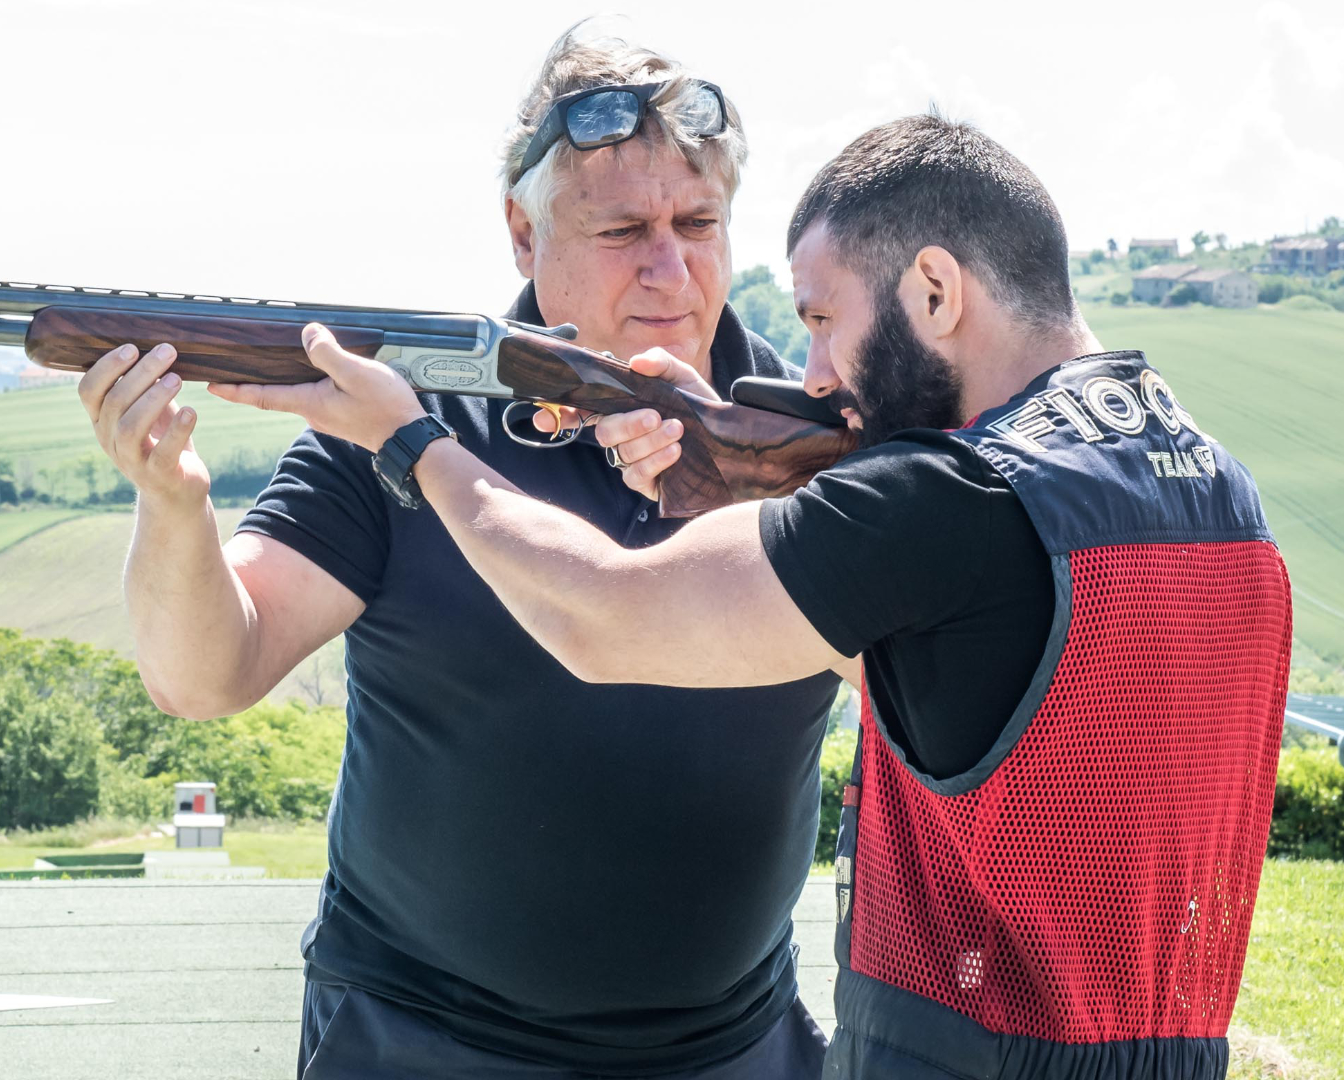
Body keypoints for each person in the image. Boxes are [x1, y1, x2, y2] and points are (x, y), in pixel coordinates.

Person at [216, 113, 1291, 1080]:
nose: (814, 373)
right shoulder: (1214, 488)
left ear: (935, 292)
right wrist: (738, 476)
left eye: (825, 320)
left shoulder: (943, 504)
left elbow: (601, 616)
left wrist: (410, 438)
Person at [76, 24, 837, 1080]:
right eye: (622, 229)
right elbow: (207, 672)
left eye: (699, 222)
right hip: (421, 1039)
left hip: (732, 1045)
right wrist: (171, 504)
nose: (671, 266)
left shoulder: (798, 439)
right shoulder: (406, 412)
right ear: (523, 238)